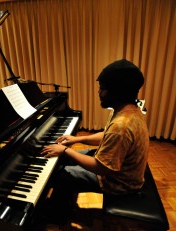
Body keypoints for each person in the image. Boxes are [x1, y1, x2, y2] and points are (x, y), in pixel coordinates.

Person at [40, 59, 149, 220]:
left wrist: (65, 149)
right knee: (64, 159)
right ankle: (64, 202)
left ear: (117, 92)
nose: (99, 92)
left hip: (120, 183)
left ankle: (60, 213)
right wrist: (76, 140)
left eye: (103, 89)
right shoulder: (129, 109)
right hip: (122, 170)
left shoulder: (122, 126)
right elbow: (107, 135)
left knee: (59, 174)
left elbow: (102, 168)